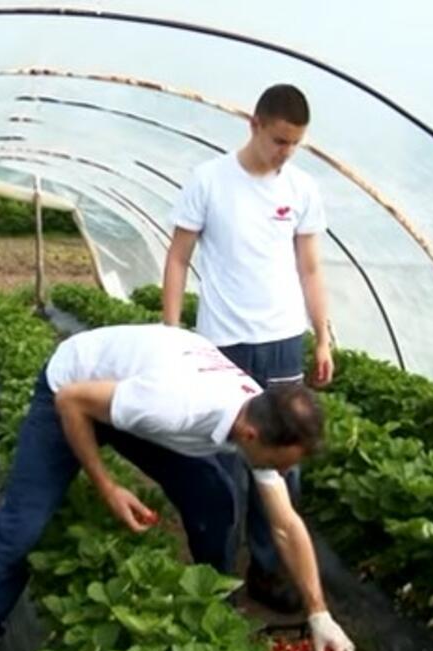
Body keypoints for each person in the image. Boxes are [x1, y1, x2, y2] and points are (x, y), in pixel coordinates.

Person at [0, 324, 354, 651]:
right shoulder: (177, 405)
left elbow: (285, 525)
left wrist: (319, 612)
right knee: (21, 530)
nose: (282, 471)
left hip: (130, 392)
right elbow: (73, 402)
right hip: (70, 389)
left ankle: (211, 604)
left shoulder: (258, 415)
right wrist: (108, 486)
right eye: (282, 462)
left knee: (215, 497)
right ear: (251, 436)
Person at [162, 83, 333, 612]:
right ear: (254, 124)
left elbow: (309, 267)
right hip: (225, 343)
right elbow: (177, 258)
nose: (285, 152)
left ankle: (268, 568)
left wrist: (322, 335)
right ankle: (216, 573)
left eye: (295, 144)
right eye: (279, 140)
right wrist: (171, 333)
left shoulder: (301, 189)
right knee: (222, 461)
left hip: (283, 342)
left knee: (281, 462)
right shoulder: (209, 181)